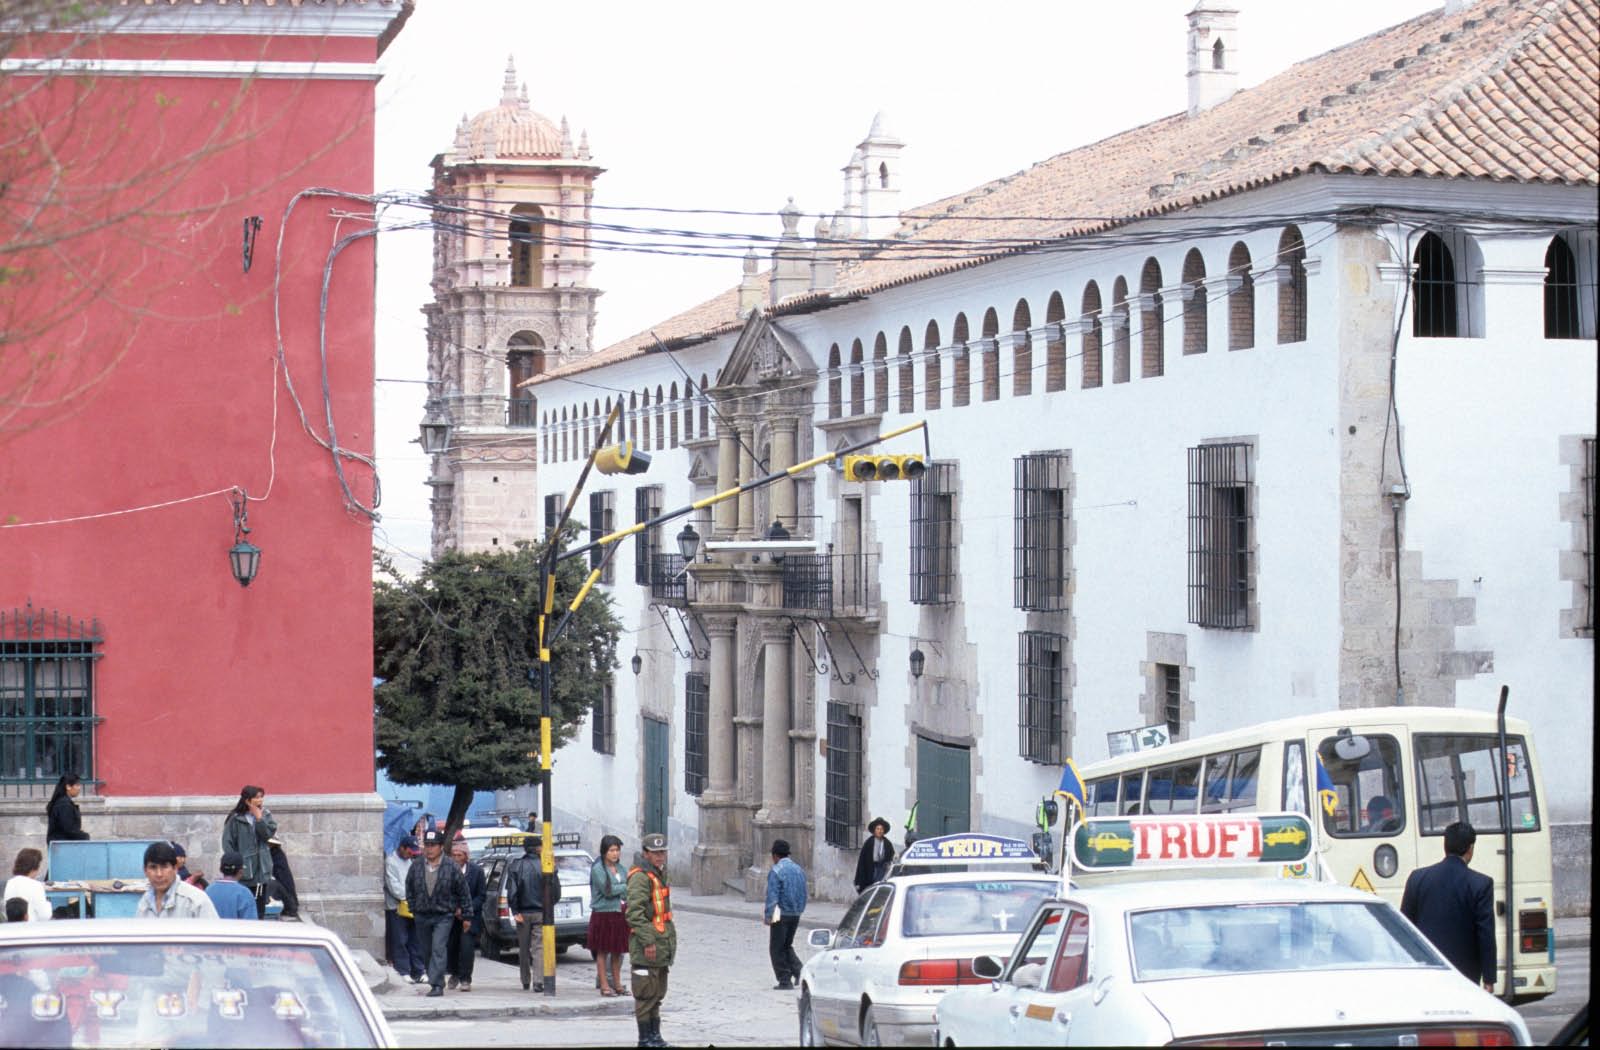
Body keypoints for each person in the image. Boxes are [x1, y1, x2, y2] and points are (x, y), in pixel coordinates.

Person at [1401, 821, 1496, 990]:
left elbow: (1404, 928)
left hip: (1426, 970)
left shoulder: (1417, 878)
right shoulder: (1481, 884)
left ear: (1445, 846)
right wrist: (1489, 978)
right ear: (1470, 848)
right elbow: (1485, 934)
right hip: (1465, 975)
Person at [626, 831, 676, 1049]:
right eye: (655, 853)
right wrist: (648, 941)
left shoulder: (658, 873)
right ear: (645, 853)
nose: (660, 856)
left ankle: (655, 1037)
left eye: (663, 852)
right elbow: (633, 914)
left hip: (661, 944)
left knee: (657, 993)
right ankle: (645, 1039)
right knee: (645, 995)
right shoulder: (640, 877)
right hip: (646, 947)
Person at [405, 828, 468, 997]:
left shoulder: (451, 867)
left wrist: (467, 915)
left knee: (438, 948)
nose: (430, 849)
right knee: (426, 950)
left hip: (443, 915)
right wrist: (413, 907)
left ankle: (437, 984)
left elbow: (463, 891)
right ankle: (434, 977)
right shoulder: (416, 865)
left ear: (441, 847)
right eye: (427, 845)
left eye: (433, 845)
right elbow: (409, 888)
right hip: (422, 914)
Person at [504, 834, 554, 991]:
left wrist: (515, 910)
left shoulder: (516, 865)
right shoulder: (546, 864)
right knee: (538, 947)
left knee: (523, 948)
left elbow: (511, 891)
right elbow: (556, 890)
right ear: (539, 848)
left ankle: (525, 980)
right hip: (541, 912)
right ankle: (539, 981)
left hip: (523, 913)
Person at [220, 785, 279, 919]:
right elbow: (227, 843)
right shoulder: (235, 819)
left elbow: (267, 835)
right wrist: (237, 864)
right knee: (244, 902)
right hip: (244, 872)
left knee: (259, 905)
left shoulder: (265, 815)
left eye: (261, 797)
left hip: (261, 872)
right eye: (256, 797)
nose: (260, 800)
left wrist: (259, 819)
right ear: (247, 800)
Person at [588, 834, 629, 996]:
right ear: (605, 851)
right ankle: (604, 985)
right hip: (603, 913)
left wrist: (622, 888)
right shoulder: (598, 869)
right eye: (612, 850)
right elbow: (608, 890)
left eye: (617, 850)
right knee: (603, 950)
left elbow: (629, 886)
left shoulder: (621, 869)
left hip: (619, 912)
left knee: (618, 951)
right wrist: (623, 887)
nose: (615, 853)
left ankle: (618, 984)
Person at [764, 839, 808, 990]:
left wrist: (769, 915)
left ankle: (784, 979)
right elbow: (804, 892)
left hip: (780, 913)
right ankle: (800, 972)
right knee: (787, 945)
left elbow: (772, 896)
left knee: (776, 947)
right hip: (795, 912)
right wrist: (800, 909)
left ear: (775, 855)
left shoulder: (776, 871)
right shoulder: (799, 870)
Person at [445, 837, 486, 992]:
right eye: (453, 855)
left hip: (470, 917)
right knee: (452, 947)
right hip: (452, 916)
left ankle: (465, 978)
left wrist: (466, 910)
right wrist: (454, 909)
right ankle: (454, 974)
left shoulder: (476, 871)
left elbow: (481, 895)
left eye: (459, 855)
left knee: (467, 948)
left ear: (466, 857)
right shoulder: (447, 871)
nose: (456, 859)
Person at [137, 841, 218, 919]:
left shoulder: (195, 901)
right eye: (153, 867)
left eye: (164, 866)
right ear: (145, 871)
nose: (159, 874)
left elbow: (214, 932)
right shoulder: (144, 902)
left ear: (175, 868)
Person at [385, 835, 424, 983]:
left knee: (415, 939)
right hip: (396, 906)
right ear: (402, 847)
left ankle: (418, 970)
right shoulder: (390, 862)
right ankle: (403, 970)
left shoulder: (410, 862)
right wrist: (409, 895)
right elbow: (394, 886)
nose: (411, 854)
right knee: (400, 939)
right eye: (409, 851)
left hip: (411, 906)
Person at [205, 851, 258, 919]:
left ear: (220, 869)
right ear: (240, 871)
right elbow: (251, 925)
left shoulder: (208, 890)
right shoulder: (244, 893)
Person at [4, 849, 51, 922]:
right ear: (34, 868)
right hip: (32, 928)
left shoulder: (10, 883)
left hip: (12, 927)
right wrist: (48, 903)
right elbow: (45, 916)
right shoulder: (36, 885)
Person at [853, 817, 895, 894]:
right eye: (878, 829)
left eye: (881, 829)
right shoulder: (869, 843)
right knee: (870, 888)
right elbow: (862, 861)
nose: (880, 831)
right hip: (871, 869)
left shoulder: (887, 844)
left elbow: (891, 856)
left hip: (882, 869)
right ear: (874, 830)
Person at [45, 773, 89, 843]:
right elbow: (69, 829)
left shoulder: (63, 802)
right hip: (63, 846)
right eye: (77, 785)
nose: (79, 788)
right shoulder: (64, 804)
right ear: (68, 787)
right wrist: (84, 836)